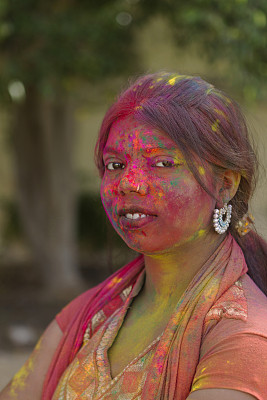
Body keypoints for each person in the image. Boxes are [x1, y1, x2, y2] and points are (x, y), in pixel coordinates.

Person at [1, 72, 267, 400]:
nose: (129, 182)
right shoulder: (90, 315)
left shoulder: (244, 337)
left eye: (162, 162)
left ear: (225, 184)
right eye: (115, 165)